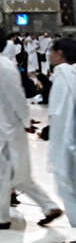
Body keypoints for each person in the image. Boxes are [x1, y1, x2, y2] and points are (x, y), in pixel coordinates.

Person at [0, 27, 63, 230]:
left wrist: (25, 121)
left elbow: (16, 97)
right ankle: (49, 206)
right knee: (17, 176)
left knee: (4, 175)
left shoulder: (3, 66)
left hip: (5, 131)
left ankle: (0, 218)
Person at [44, 37, 76, 225]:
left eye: (51, 51)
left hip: (68, 144)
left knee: (67, 188)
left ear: (60, 53)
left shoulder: (63, 75)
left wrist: (62, 153)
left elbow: (61, 115)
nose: (49, 55)